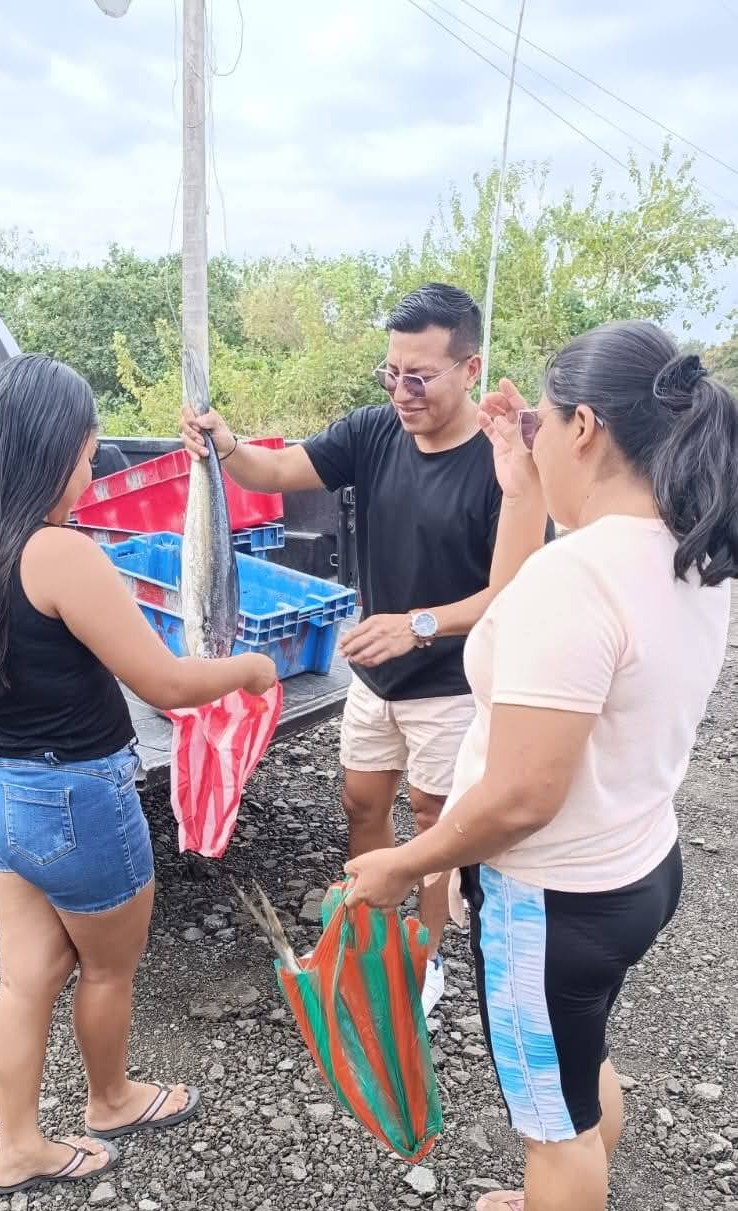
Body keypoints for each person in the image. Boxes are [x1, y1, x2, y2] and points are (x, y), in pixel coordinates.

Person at [345, 320, 737, 1211]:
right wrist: (520, 485)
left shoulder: (583, 578)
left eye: (546, 424)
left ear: (587, 427)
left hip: (548, 897)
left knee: (550, 1117)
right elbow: (518, 618)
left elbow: (522, 794)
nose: (536, 437)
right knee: (580, 1055)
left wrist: (407, 862)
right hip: (634, 870)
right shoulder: (689, 554)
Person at [0, 354, 276, 1197]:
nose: (89, 473)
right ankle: (110, 1099)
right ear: (50, 453)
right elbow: (166, 683)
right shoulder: (60, 555)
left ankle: (17, 1146)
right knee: (107, 968)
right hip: (72, 800)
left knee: (27, 976)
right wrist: (250, 669)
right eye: (84, 455)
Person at [181, 283, 545, 1015]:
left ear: (470, 369)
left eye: (421, 377)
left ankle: (425, 956)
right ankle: (372, 935)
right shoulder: (374, 432)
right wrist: (226, 446)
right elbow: (275, 473)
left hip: (452, 680)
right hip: (376, 677)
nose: (402, 392)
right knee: (361, 799)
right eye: (392, 373)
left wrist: (417, 624)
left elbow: (511, 593)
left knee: (434, 821)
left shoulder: (501, 465)